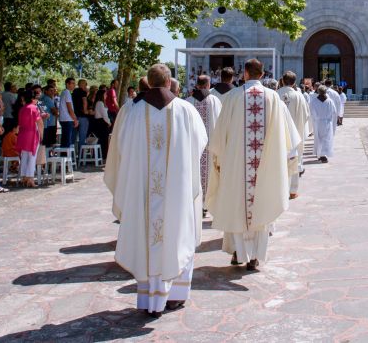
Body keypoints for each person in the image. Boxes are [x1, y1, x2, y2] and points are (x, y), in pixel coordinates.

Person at [104, 64, 207, 317]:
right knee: (177, 232)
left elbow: (119, 149)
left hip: (142, 192)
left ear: (149, 83)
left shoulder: (132, 111)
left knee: (146, 236)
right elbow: (200, 143)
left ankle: (150, 297)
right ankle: (175, 295)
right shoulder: (186, 110)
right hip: (176, 190)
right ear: (170, 81)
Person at [207, 58, 299, 271]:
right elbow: (288, 138)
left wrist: (219, 160)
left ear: (245, 73)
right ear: (262, 73)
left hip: (237, 165)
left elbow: (220, 135)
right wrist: (286, 161)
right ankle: (256, 255)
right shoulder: (273, 98)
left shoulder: (232, 97)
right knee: (263, 203)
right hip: (266, 166)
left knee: (237, 204)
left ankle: (239, 252)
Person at [185, 75, 222, 214]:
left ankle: (196, 204)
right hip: (210, 148)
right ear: (208, 85)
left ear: (197, 85)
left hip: (193, 149)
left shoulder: (188, 102)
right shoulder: (214, 101)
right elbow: (220, 124)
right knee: (210, 176)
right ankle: (207, 205)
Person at [277, 71, 311, 198]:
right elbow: (306, 114)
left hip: (279, 134)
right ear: (294, 82)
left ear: (283, 81)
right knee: (295, 160)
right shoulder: (299, 96)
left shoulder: (275, 94)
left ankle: (279, 189)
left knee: (279, 161)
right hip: (295, 134)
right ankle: (292, 191)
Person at [17, 87, 44, 188]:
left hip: (23, 133)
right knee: (32, 157)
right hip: (32, 134)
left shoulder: (22, 109)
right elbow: (40, 123)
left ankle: (24, 177)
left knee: (24, 156)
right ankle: (30, 179)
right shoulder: (34, 108)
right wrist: (41, 135)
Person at [309, 85, 338, 163]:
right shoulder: (330, 101)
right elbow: (334, 112)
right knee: (326, 139)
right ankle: (323, 155)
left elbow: (311, 112)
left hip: (318, 123)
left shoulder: (314, 101)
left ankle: (320, 154)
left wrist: (316, 118)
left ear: (318, 92)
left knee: (319, 139)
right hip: (327, 122)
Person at [92, 86, 112, 159]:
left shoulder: (99, 103)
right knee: (103, 140)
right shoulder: (100, 103)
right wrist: (109, 122)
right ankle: (103, 155)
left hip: (101, 122)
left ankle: (102, 154)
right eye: (105, 94)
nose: (106, 96)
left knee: (103, 139)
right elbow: (104, 115)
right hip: (101, 123)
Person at [59, 78, 77, 150]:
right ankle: (65, 158)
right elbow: (69, 108)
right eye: (72, 83)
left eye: (74, 83)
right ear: (67, 84)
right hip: (67, 119)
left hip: (66, 119)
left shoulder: (66, 92)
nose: (74, 85)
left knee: (66, 141)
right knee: (67, 142)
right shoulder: (66, 92)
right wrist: (75, 119)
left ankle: (65, 158)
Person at [73, 79, 91, 156]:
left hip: (74, 116)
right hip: (83, 116)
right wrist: (85, 110)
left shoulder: (74, 92)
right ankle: (81, 155)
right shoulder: (83, 92)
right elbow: (84, 101)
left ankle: (73, 154)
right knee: (82, 137)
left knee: (73, 137)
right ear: (83, 85)